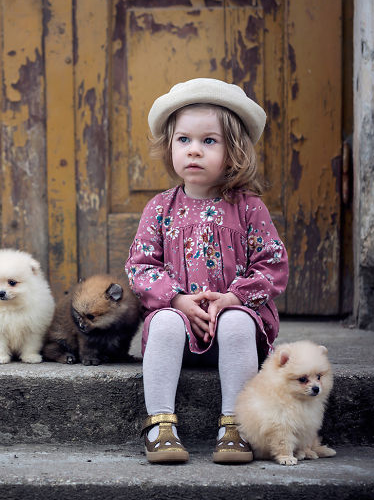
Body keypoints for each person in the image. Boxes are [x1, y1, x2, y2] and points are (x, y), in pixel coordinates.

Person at [125, 78, 288, 464]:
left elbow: (272, 264)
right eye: (184, 140)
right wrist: (177, 299)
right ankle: (160, 425)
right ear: (170, 147)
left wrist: (233, 298)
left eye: (208, 141)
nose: (194, 150)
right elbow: (140, 266)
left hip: (234, 329)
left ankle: (235, 426)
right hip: (180, 327)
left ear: (233, 151)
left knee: (236, 323)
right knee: (163, 323)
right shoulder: (160, 208)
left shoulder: (249, 208)